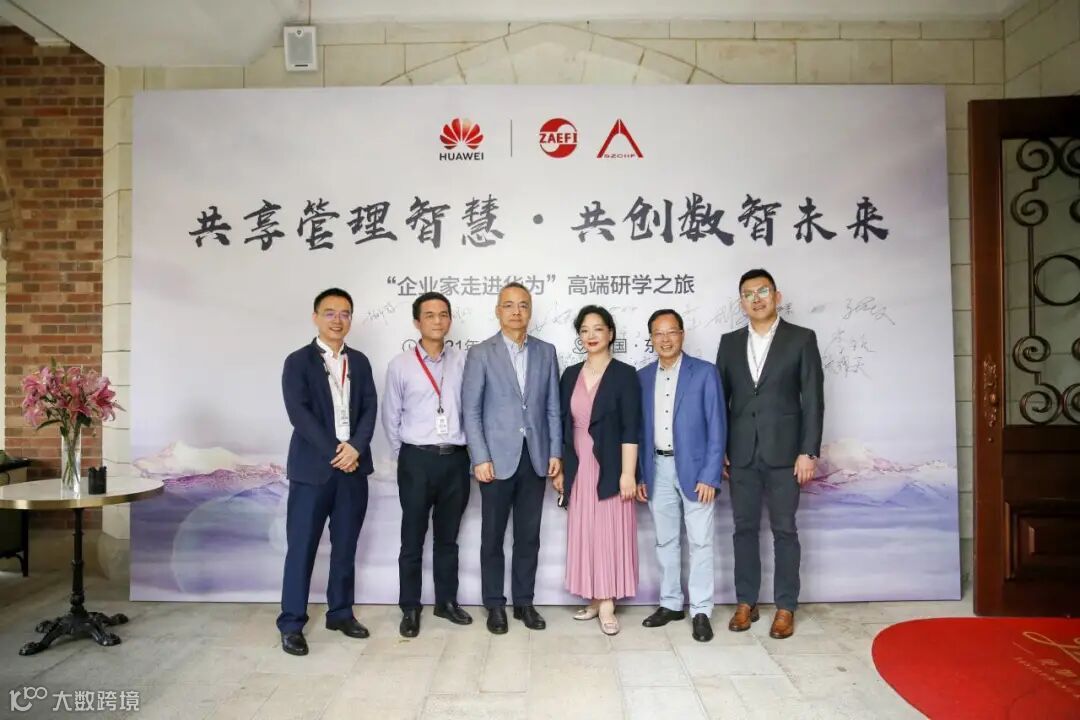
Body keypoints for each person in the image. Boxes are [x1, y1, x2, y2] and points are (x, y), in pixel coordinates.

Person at [715, 269, 824, 640]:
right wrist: (720, 449)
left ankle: (785, 606)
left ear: (777, 296)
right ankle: (746, 601)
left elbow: (813, 399)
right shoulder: (729, 343)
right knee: (743, 530)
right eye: (748, 294)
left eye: (763, 291)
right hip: (741, 454)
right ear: (741, 302)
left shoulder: (801, 339)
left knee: (784, 530)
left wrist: (808, 451)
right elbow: (720, 402)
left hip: (785, 454)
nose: (756, 299)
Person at [277, 288, 377, 656]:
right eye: (330, 312)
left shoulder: (360, 362)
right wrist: (337, 451)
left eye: (345, 313)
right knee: (301, 548)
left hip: (354, 468)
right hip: (313, 470)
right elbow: (299, 414)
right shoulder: (297, 361)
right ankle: (291, 623)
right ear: (315, 317)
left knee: (346, 547)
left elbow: (370, 408)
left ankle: (341, 613)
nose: (338, 320)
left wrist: (356, 448)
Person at [462, 282, 562, 634]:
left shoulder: (546, 352)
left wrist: (555, 451)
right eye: (509, 305)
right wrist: (480, 457)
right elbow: (471, 411)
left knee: (528, 537)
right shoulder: (481, 353)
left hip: (534, 458)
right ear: (498, 311)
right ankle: (494, 605)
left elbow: (553, 407)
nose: (516, 311)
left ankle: (524, 603)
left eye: (523, 305)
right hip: (495, 461)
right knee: (492, 537)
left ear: (530, 311)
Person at [382, 292, 472, 638]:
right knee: (412, 539)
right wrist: (407, 456)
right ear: (417, 322)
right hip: (416, 460)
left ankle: (446, 602)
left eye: (443, 314)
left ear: (450, 320)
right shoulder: (400, 365)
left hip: (455, 459)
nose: (437, 320)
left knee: (448, 539)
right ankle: (410, 607)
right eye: (430, 315)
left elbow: (472, 410)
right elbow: (391, 417)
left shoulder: (463, 361)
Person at [638, 309, 726, 642]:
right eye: (658, 333)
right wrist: (641, 474)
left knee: (700, 542)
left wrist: (711, 475)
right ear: (651, 338)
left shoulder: (704, 373)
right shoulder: (642, 377)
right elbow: (639, 431)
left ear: (682, 334)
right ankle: (671, 603)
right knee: (665, 540)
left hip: (697, 471)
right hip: (656, 468)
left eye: (671, 331)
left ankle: (701, 610)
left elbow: (717, 426)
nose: (665, 339)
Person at [552, 306, 641, 636]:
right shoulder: (570, 374)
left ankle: (607, 604)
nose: (591, 335)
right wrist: (561, 468)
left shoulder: (625, 374)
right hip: (579, 466)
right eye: (584, 330)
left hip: (612, 467)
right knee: (585, 534)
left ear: (610, 333)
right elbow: (562, 425)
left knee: (608, 535)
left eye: (598, 329)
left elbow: (631, 428)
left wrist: (628, 473)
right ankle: (593, 596)